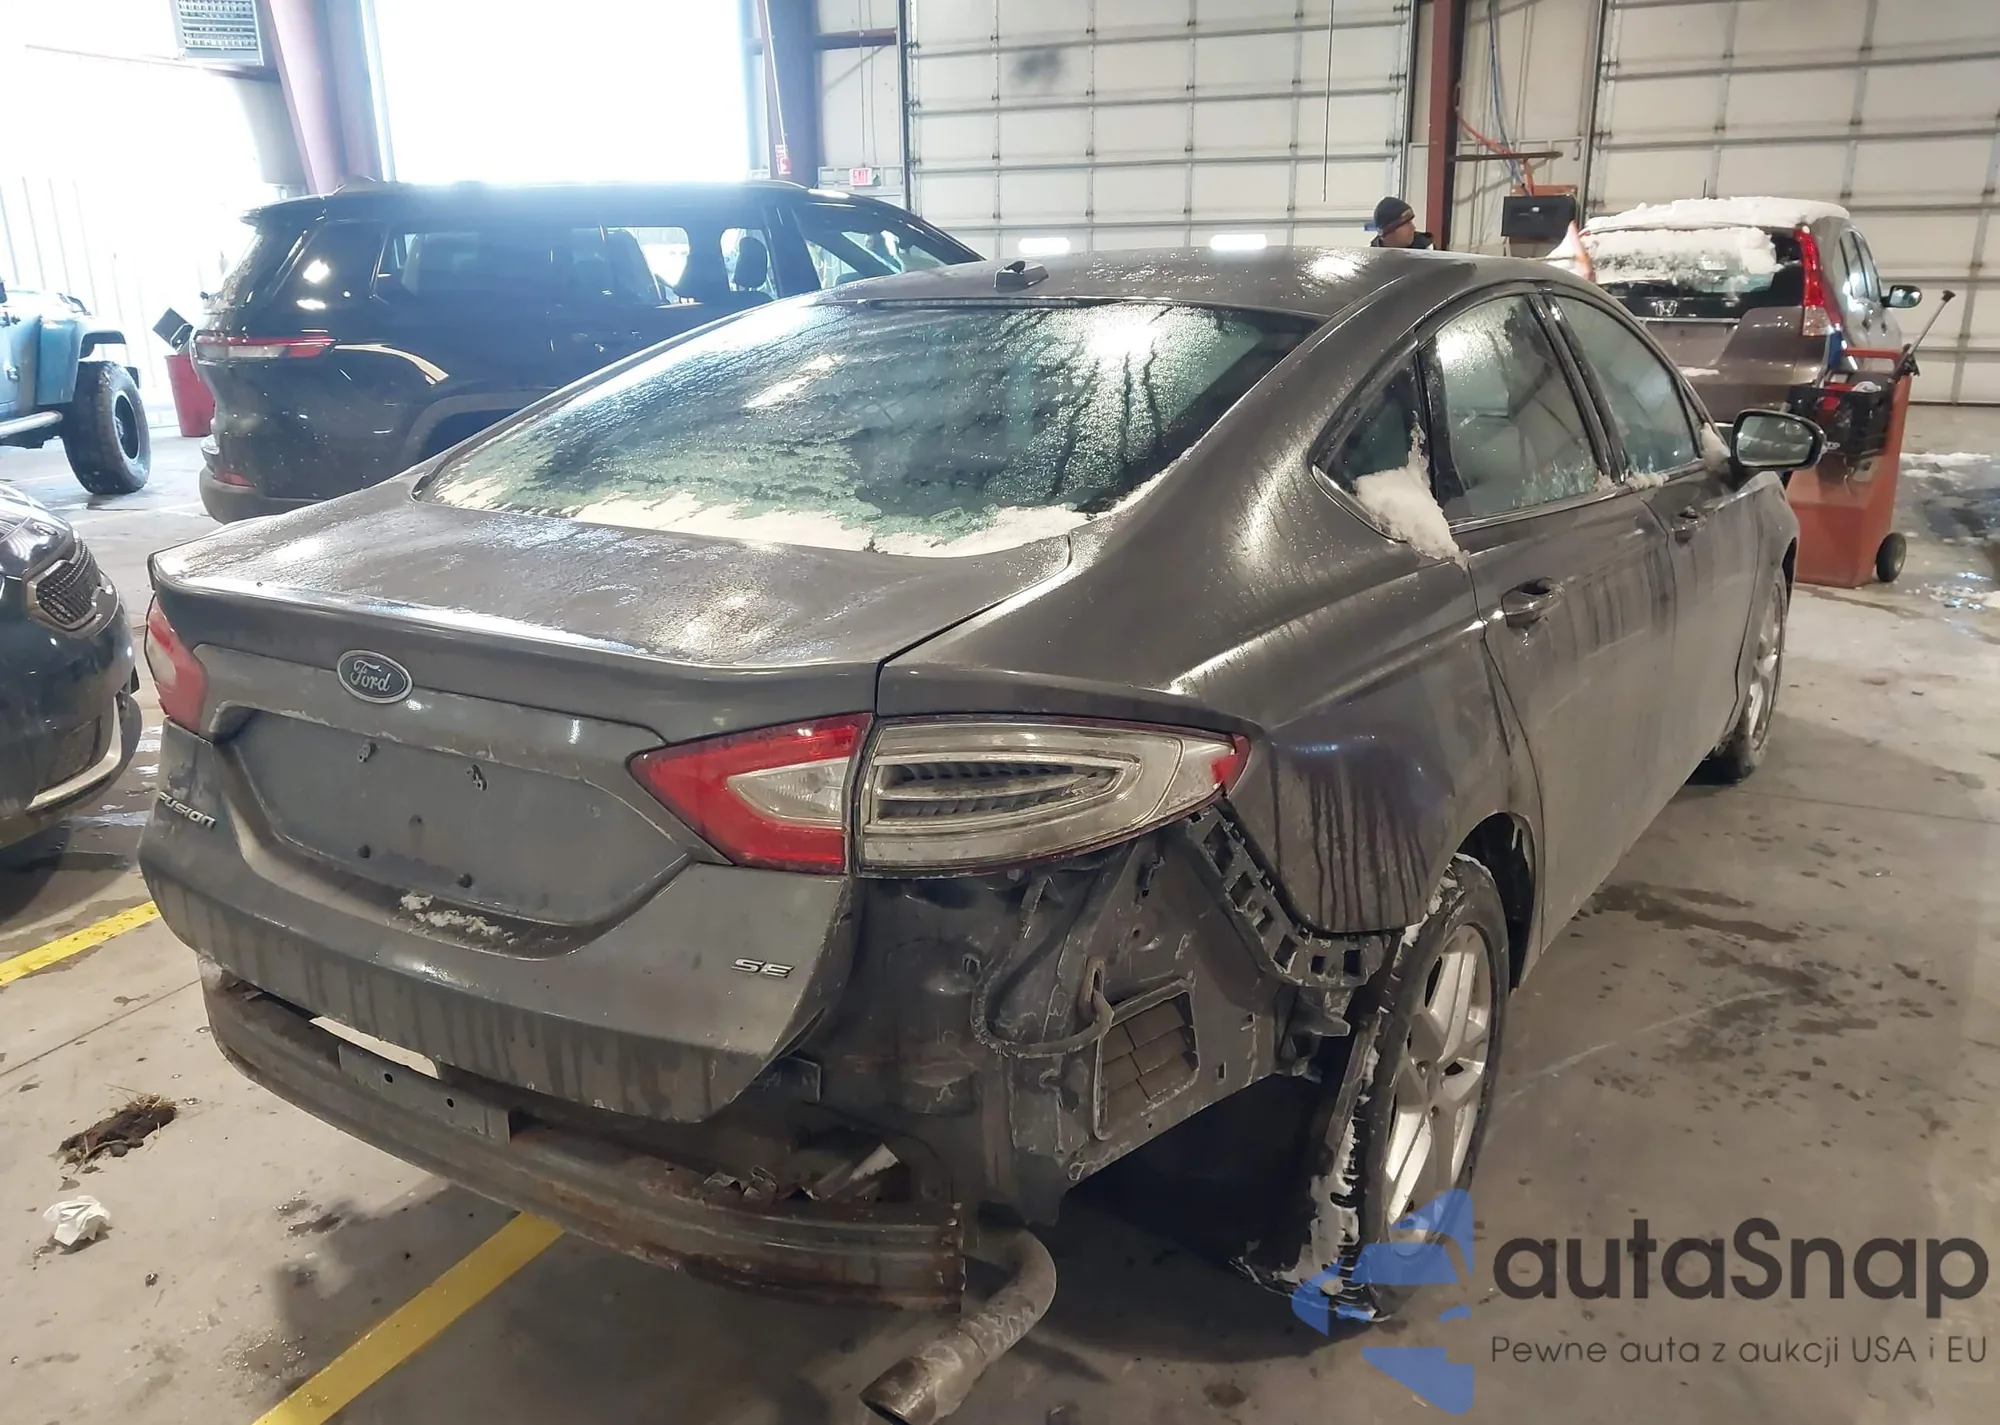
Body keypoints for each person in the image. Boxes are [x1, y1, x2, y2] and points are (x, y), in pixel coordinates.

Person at [1371, 197, 1435, 250]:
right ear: (1389, 230)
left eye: (1411, 222)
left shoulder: (1427, 252)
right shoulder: (1371, 258)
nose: (1413, 228)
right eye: (1407, 223)